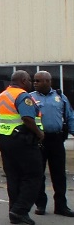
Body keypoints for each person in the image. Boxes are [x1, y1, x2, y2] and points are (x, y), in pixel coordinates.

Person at [0, 70, 44, 225]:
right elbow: (27, 118)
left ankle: (14, 211)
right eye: (29, 80)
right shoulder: (23, 96)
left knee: (14, 177)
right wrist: (39, 133)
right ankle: (20, 210)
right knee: (34, 175)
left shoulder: (2, 95)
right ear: (23, 80)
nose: (31, 83)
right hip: (23, 141)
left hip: (5, 140)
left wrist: (7, 130)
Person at [30, 71, 74, 217]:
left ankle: (61, 206)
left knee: (59, 174)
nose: (34, 83)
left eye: (38, 81)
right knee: (38, 174)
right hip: (38, 140)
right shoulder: (30, 97)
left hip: (56, 140)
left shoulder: (60, 97)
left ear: (48, 82)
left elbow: (69, 116)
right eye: (34, 80)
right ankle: (41, 204)